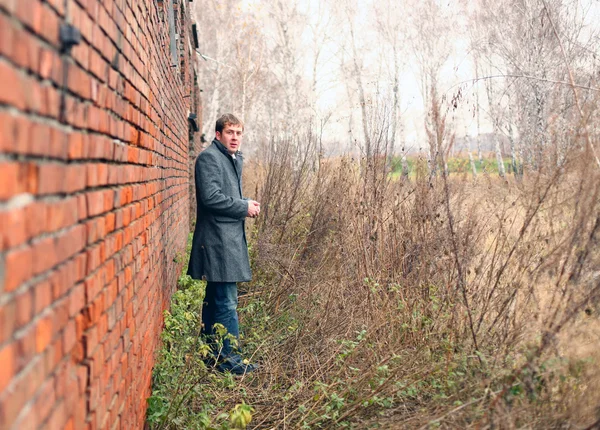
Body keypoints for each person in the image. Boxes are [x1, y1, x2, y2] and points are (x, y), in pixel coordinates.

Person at [187, 113, 260, 374]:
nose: (235, 138)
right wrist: (243, 207)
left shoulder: (231, 159)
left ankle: (211, 356)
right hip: (217, 242)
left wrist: (245, 203)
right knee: (226, 301)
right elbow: (211, 198)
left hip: (227, 241)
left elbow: (224, 195)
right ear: (218, 135)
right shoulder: (209, 158)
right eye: (230, 132)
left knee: (215, 299)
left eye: (239, 133)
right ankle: (230, 362)